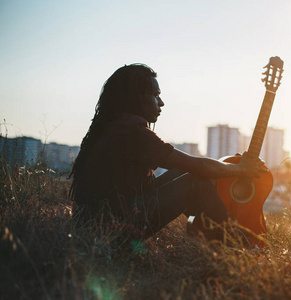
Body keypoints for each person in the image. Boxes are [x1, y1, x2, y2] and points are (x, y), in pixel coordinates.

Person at [69, 63, 266, 242]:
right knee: (195, 182)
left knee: (185, 175)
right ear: (135, 98)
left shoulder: (118, 125)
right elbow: (199, 165)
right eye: (155, 95)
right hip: (108, 232)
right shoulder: (131, 130)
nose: (161, 102)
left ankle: (211, 234)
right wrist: (241, 169)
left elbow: (191, 168)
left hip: (102, 223)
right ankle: (242, 245)